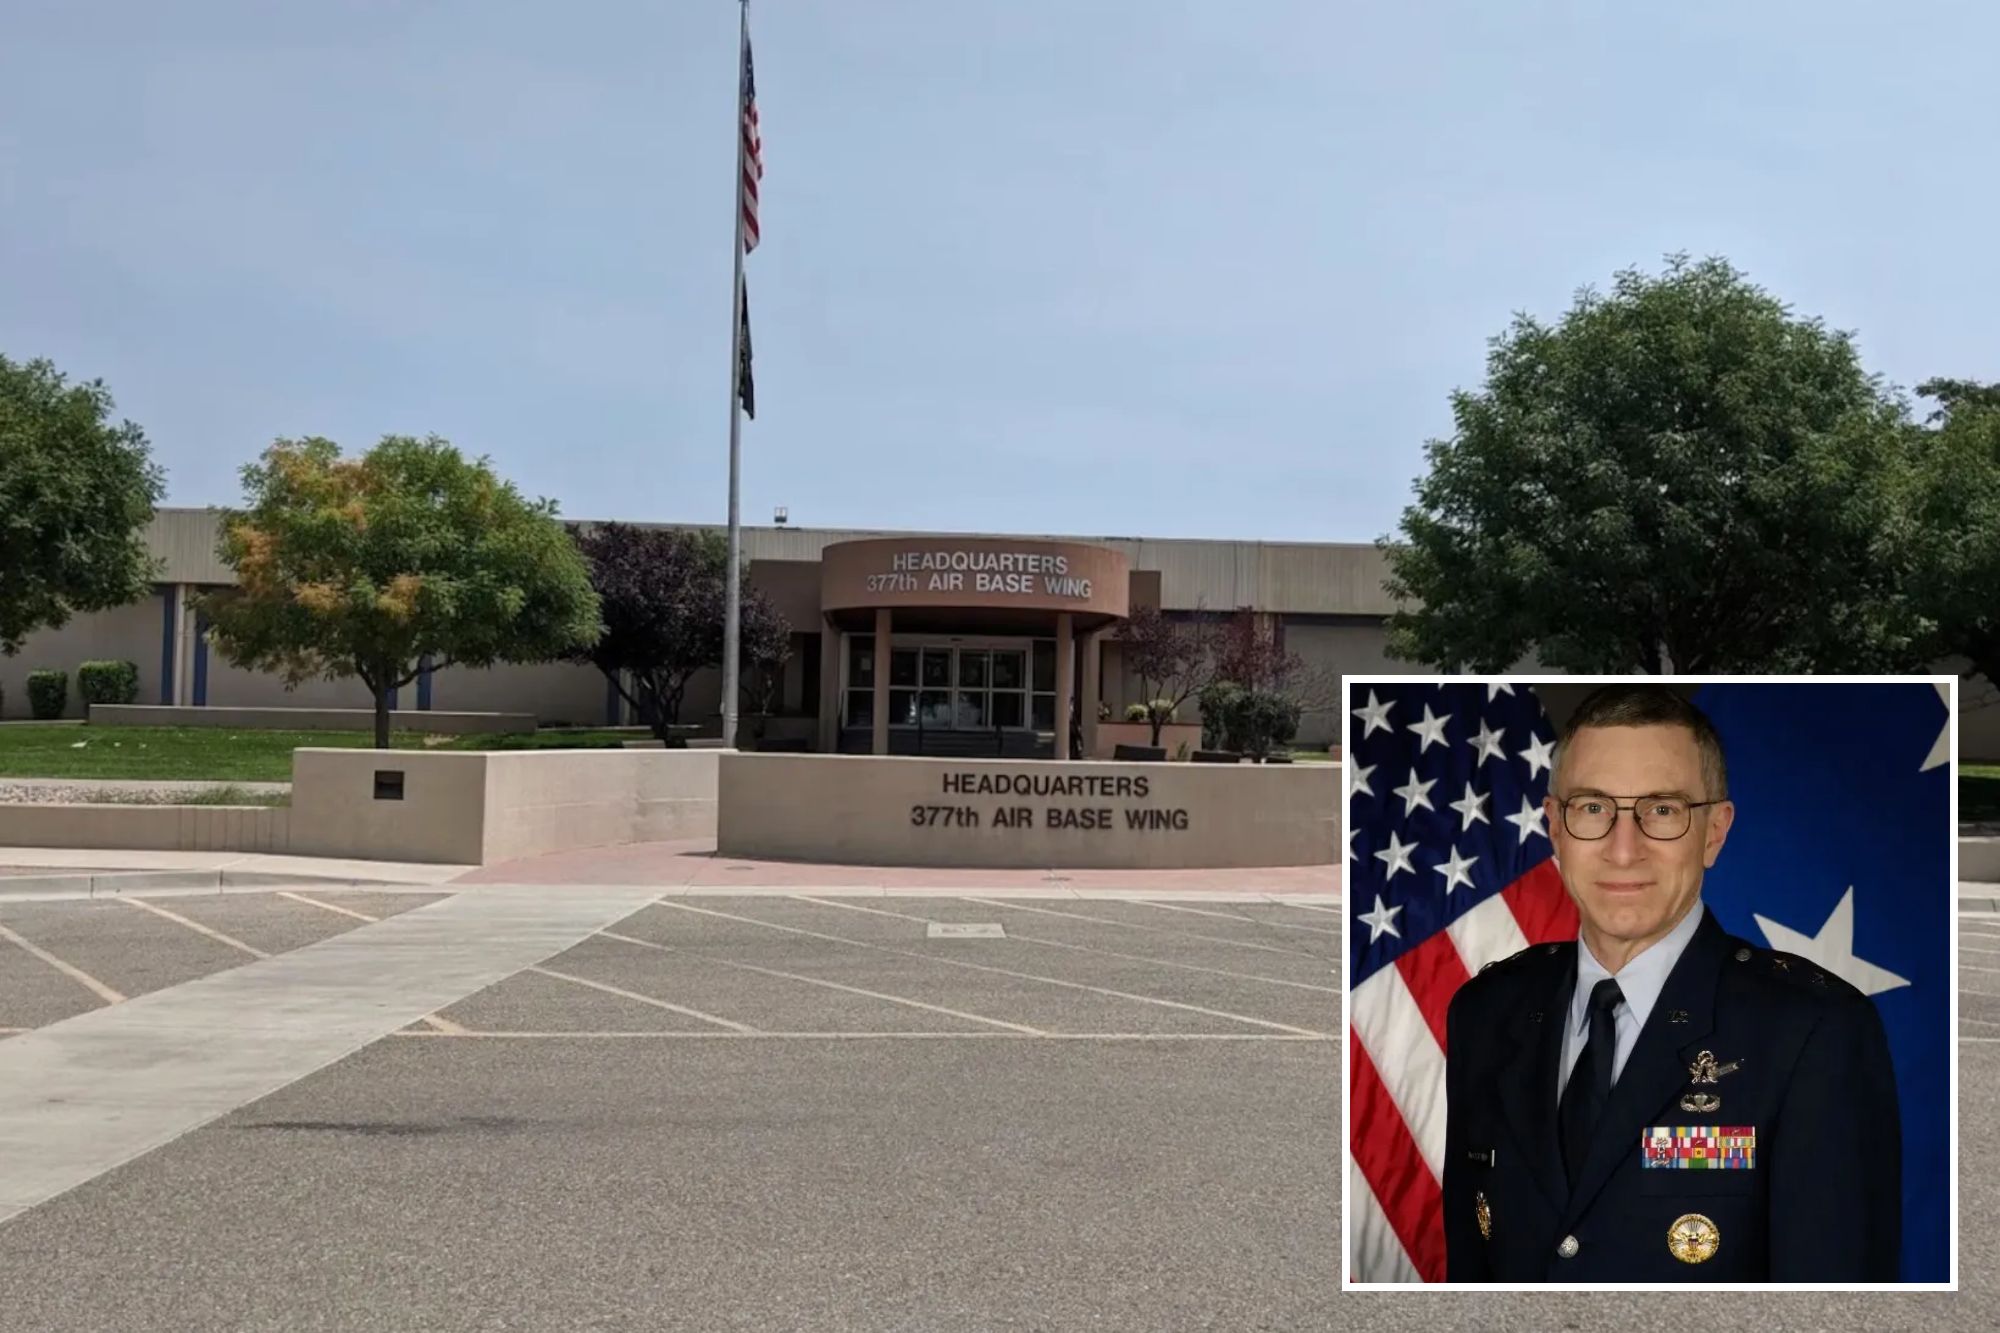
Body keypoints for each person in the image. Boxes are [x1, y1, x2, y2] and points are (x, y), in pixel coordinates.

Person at [1442, 683, 1902, 1281]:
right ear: (1555, 828)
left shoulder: (1813, 1032)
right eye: (1592, 808)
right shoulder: (1486, 1012)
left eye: (1662, 810)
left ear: (1714, 832)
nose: (1623, 848)